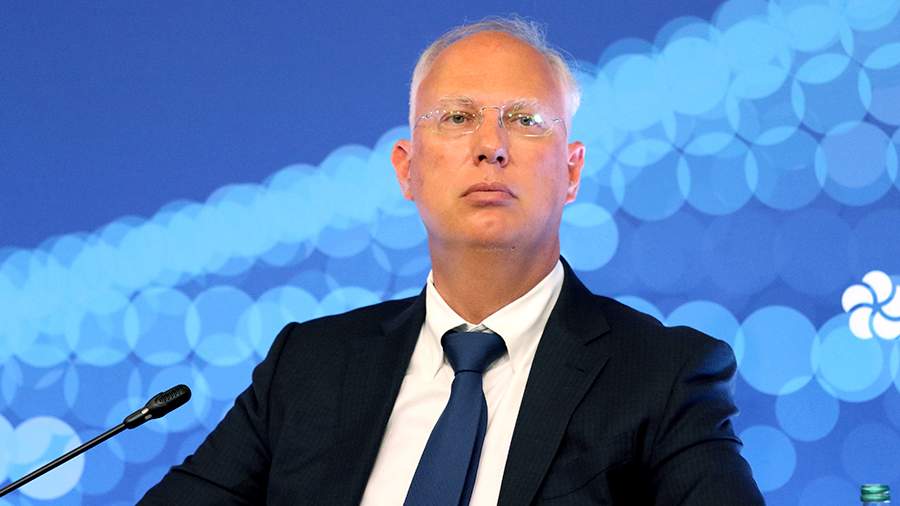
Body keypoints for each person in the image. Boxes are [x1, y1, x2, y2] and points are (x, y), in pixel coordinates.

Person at [140, 17, 764, 505]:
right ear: (407, 170)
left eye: (524, 119)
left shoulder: (661, 376)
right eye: (458, 117)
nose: (491, 146)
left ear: (572, 172)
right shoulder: (308, 367)